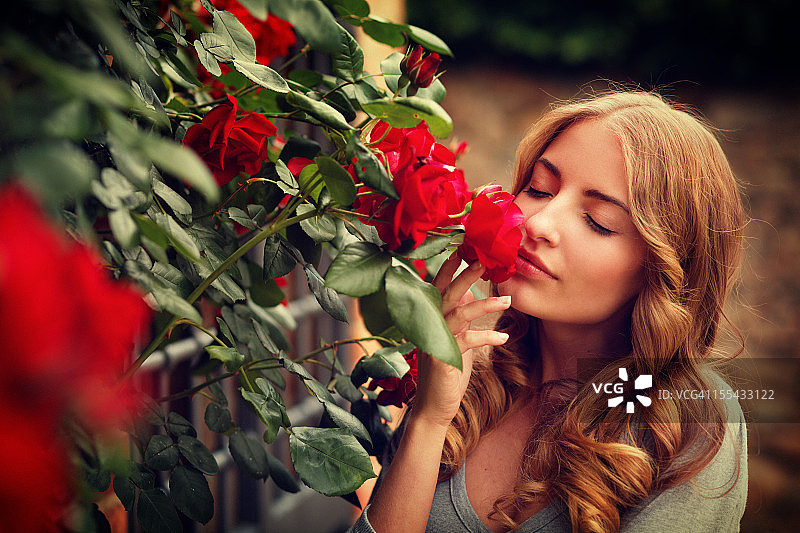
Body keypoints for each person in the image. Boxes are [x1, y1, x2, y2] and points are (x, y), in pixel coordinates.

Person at [349, 91, 748, 532]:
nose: (537, 223)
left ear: (663, 268)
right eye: (539, 188)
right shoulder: (461, 383)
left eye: (598, 220)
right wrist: (428, 421)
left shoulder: (688, 424)